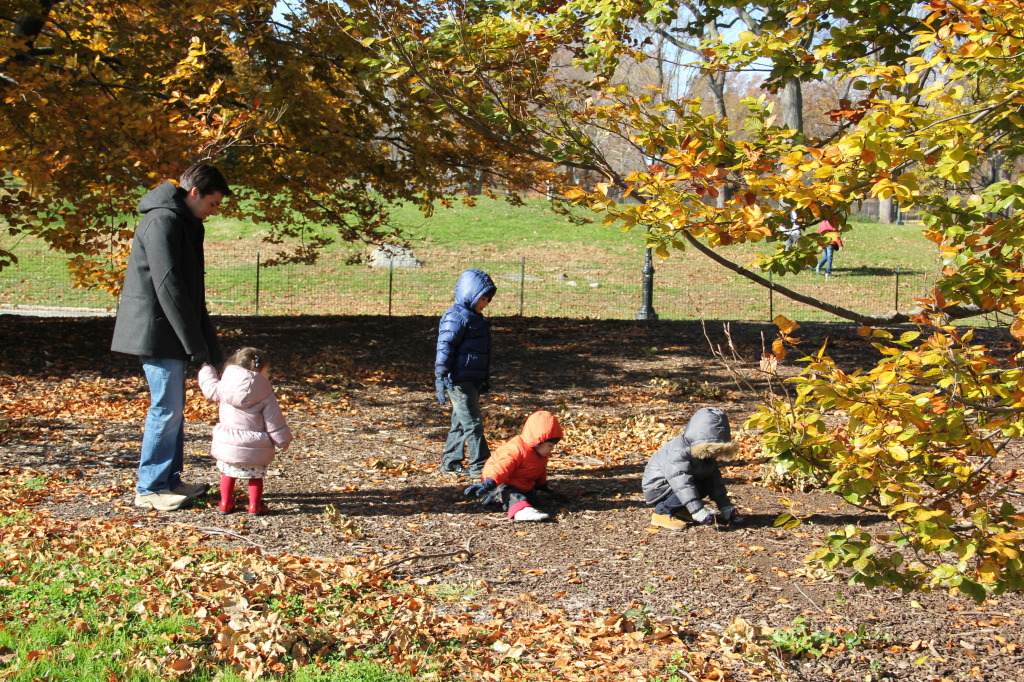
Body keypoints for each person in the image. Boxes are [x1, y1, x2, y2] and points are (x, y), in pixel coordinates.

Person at [111, 163, 231, 511]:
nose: (213, 212)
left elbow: (192, 293)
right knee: (165, 408)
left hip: (171, 329)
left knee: (174, 409)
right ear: (194, 193)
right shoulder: (163, 221)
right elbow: (170, 289)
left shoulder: (183, 223)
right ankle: (150, 488)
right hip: (157, 331)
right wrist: (196, 345)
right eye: (212, 204)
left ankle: (170, 480)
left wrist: (207, 344)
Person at [197, 347, 293, 516]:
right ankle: (254, 506)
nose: (268, 375)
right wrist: (282, 440)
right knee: (255, 477)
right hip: (255, 445)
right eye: (267, 371)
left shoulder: (224, 387)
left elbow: (208, 386)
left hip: (228, 442)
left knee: (227, 474)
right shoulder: (265, 394)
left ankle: (225, 503)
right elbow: (274, 421)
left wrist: (206, 368)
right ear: (258, 370)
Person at [435, 268, 497, 477]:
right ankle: (481, 465)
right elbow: (445, 345)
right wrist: (441, 373)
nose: (485, 304)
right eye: (483, 299)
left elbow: (480, 351)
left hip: (471, 379)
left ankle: (451, 461)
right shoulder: (456, 316)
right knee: (472, 423)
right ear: (471, 293)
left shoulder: (474, 317)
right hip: (458, 380)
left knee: (461, 422)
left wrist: (483, 378)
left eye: (488, 300)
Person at [642, 406, 745, 530]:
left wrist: (726, 506)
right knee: (693, 487)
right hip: (660, 486)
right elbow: (681, 484)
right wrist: (698, 511)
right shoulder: (679, 451)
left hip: (679, 486)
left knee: (705, 483)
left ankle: (681, 509)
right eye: (714, 449)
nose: (715, 454)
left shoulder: (704, 453)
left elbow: (715, 481)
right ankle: (662, 513)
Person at [464, 410, 563, 522]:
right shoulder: (516, 449)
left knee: (534, 501)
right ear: (538, 440)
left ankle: (500, 501)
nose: (551, 449)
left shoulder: (541, 454)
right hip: (500, 482)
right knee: (511, 494)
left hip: (522, 485)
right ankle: (521, 511)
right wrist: (489, 482)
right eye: (550, 445)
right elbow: (502, 467)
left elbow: (540, 470)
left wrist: (542, 484)